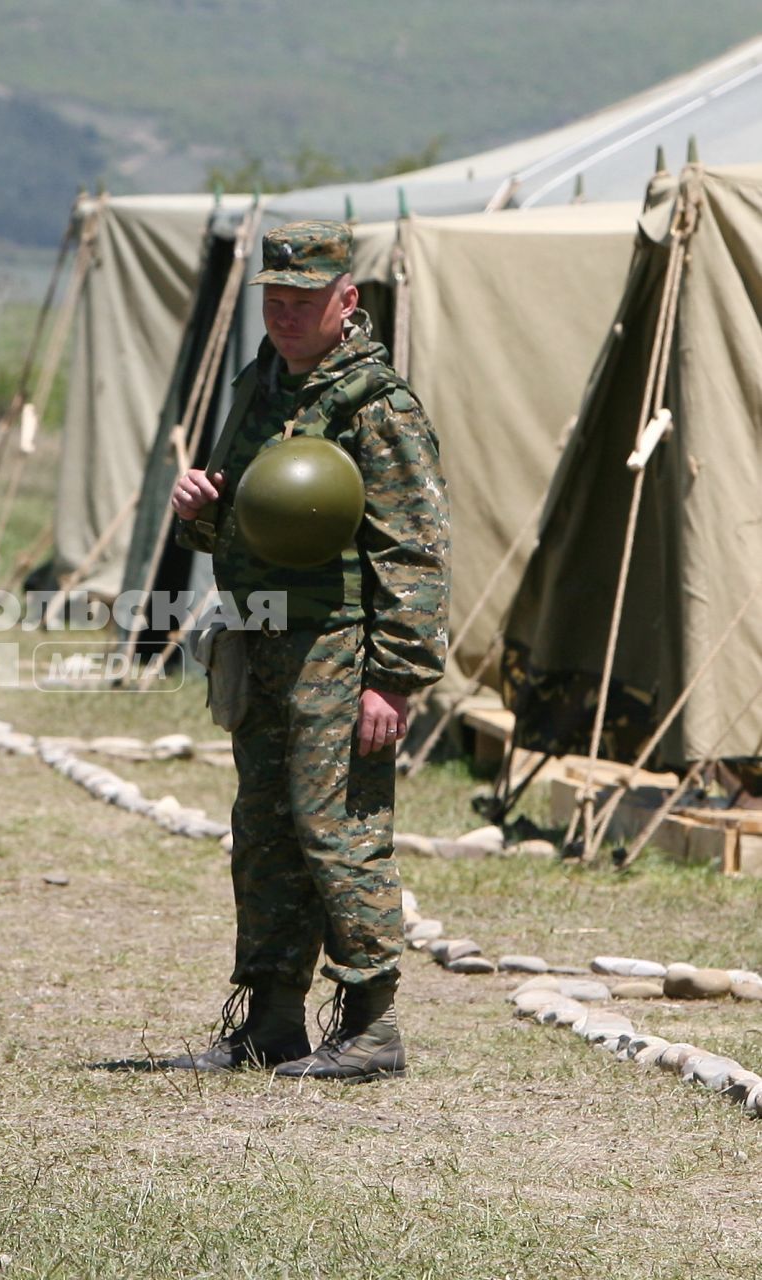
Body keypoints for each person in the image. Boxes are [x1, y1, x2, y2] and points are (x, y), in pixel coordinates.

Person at [166, 220, 449, 1082]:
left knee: (339, 830)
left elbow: (414, 547)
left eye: (302, 301)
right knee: (263, 830)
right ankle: (271, 1018)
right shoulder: (260, 386)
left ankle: (370, 1024)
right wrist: (199, 509)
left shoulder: (376, 406)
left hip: (338, 644)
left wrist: (393, 679)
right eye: (274, 300)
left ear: (346, 299)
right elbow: (248, 515)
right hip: (259, 636)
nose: (284, 315)